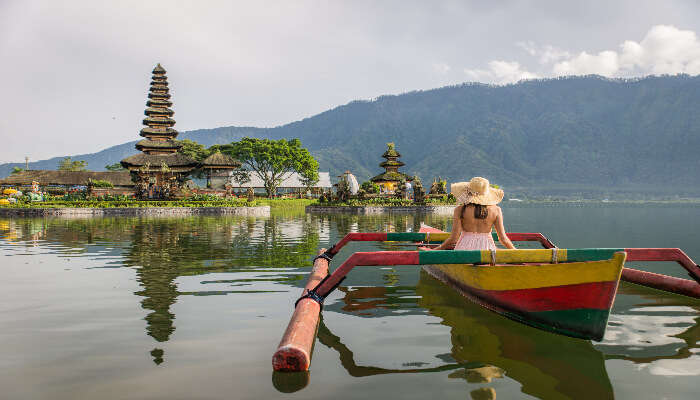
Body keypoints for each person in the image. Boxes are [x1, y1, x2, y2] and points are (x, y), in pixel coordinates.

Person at [428, 177, 515, 251]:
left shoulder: (460, 210)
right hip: (487, 250)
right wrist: (517, 253)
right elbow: (503, 239)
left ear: (468, 192)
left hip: (464, 251)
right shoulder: (496, 210)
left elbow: (453, 239)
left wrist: (435, 250)